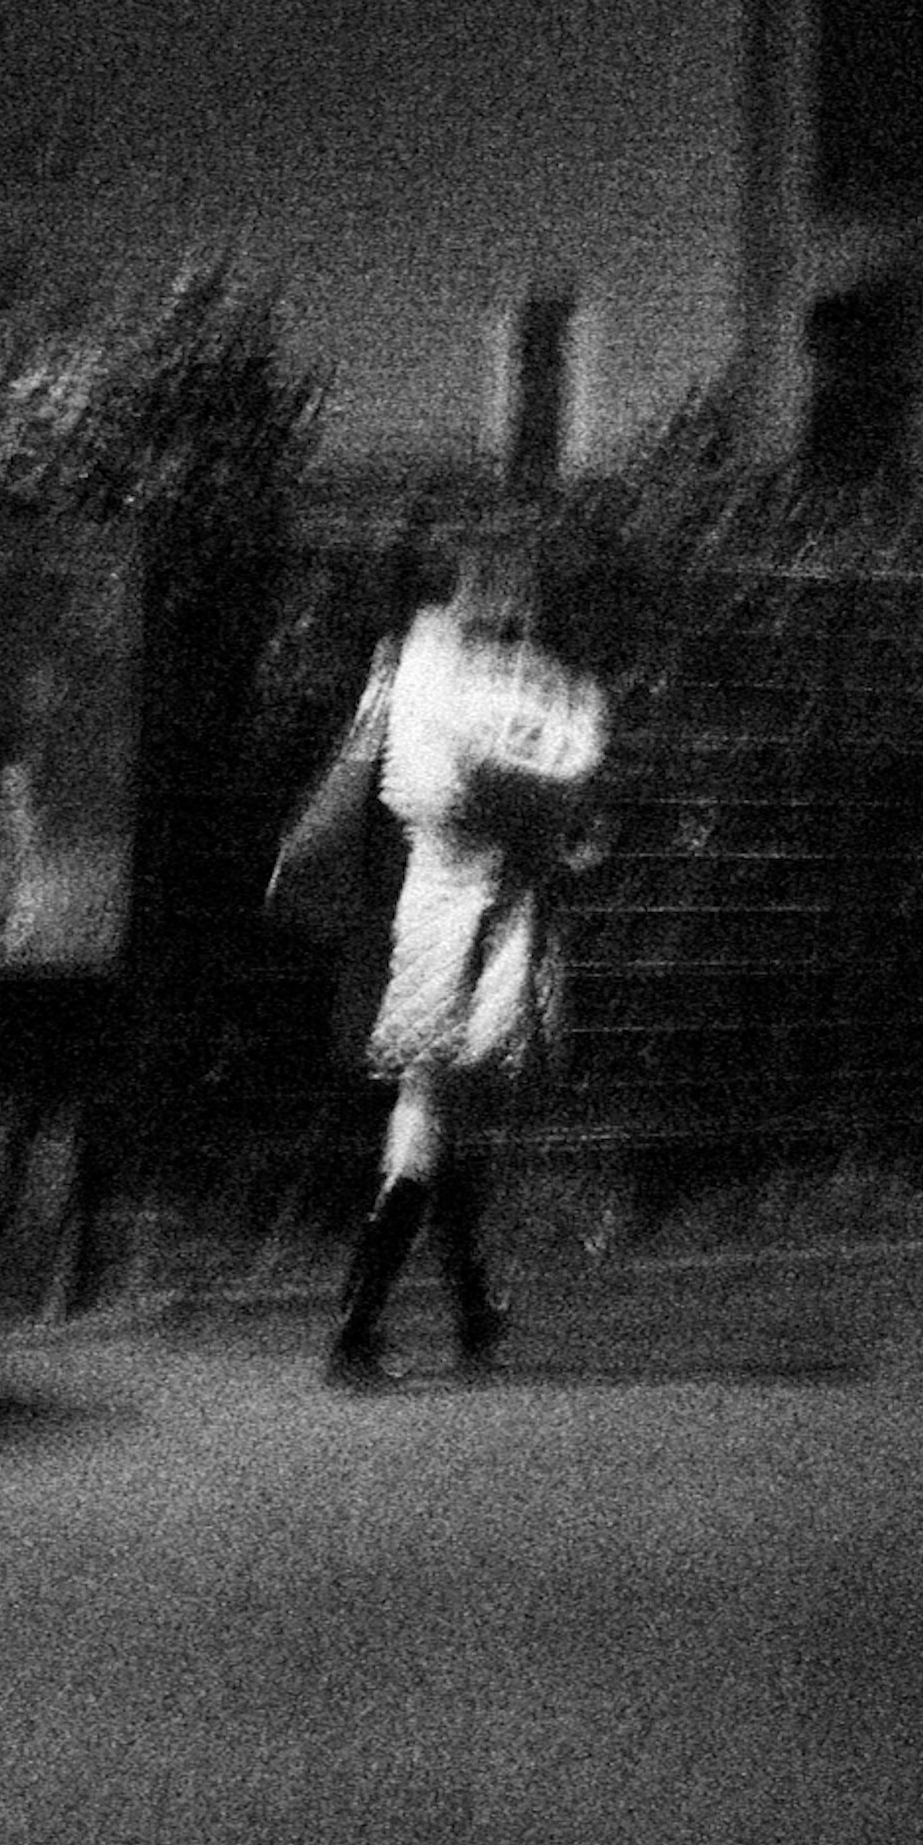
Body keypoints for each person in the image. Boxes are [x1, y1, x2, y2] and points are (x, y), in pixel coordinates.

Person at [326, 525, 605, 1380]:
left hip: (424, 898)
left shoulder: (408, 665)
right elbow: (536, 797)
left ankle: (467, 1308)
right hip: (482, 910)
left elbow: (391, 779)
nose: (522, 609)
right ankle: (360, 1324)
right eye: (510, 589)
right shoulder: (486, 689)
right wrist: (563, 845)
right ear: (486, 589)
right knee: (434, 1111)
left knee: (435, 1104)